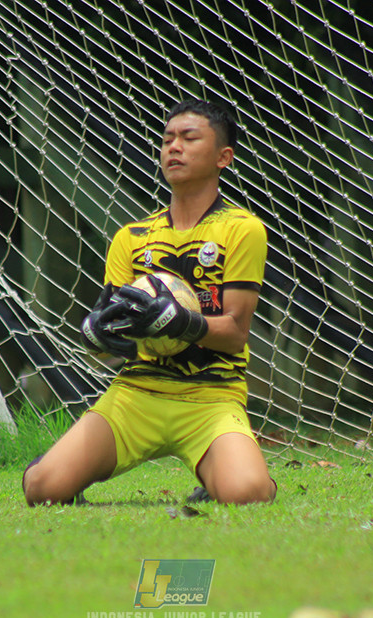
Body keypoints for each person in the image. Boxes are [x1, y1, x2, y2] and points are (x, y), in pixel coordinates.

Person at [22, 99, 276, 506]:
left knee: (246, 494)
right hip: (136, 394)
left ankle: (222, 475)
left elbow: (235, 334)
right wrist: (99, 334)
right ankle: (55, 462)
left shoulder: (243, 229)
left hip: (211, 398)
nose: (174, 146)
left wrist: (180, 324)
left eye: (189, 138)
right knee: (43, 490)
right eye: (167, 139)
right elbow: (113, 335)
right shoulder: (131, 237)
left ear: (222, 157)